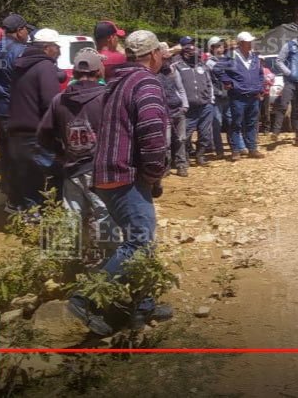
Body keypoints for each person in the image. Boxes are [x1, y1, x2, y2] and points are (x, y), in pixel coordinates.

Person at [91, 29, 173, 327]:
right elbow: (153, 134)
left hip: (106, 172)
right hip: (126, 175)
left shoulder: (116, 81)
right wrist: (153, 175)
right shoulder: (147, 83)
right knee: (139, 243)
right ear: (152, 55)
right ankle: (86, 299)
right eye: (160, 55)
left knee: (142, 241)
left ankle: (144, 306)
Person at [37, 48, 116, 337]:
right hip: (99, 172)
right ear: (98, 72)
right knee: (105, 225)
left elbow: (43, 135)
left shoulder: (60, 99)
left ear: (74, 72)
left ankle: (71, 275)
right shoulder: (106, 97)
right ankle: (102, 284)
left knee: (73, 222)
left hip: (71, 170)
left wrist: (60, 155)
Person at [6, 28, 63, 210]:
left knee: (27, 180)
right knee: (54, 177)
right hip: (36, 134)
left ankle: (27, 217)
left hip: (17, 132)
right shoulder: (45, 66)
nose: (59, 51)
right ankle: (46, 222)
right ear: (47, 48)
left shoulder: (20, 64)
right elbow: (50, 102)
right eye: (57, 47)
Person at [0, 13, 31, 189]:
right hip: (17, 110)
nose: (27, 34)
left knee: (4, 149)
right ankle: (18, 192)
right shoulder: (23, 52)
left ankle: (6, 185)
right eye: (26, 30)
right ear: (19, 31)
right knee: (20, 152)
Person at [213, 31, 266, 161]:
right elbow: (217, 69)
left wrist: (260, 87)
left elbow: (260, 73)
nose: (251, 44)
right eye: (248, 42)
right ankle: (235, 150)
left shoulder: (254, 57)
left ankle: (252, 148)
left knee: (251, 123)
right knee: (236, 123)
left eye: (251, 42)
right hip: (238, 96)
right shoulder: (231, 56)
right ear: (241, 43)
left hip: (253, 95)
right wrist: (227, 81)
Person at [173, 36, 215, 167]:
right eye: (190, 52)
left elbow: (209, 83)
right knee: (185, 134)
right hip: (188, 107)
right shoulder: (177, 67)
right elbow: (177, 87)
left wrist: (211, 99)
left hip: (205, 105)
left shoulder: (203, 66)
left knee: (205, 132)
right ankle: (184, 156)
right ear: (184, 54)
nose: (193, 54)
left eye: (195, 52)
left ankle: (200, 155)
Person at [158, 45, 190, 176]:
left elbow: (181, 88)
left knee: (181, 139)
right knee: (166, 141)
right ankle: (166, 166)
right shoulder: (154, 73)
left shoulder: (173, 71)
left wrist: (185, 105)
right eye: (165, 59)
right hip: (164, 112)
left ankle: (181, 164)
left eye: (169, 58)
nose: (167, 61)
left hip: (177, 109)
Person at [205, 37, 230, 158]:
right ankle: (219, 150)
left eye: (221, 45)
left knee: (231, 121)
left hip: (228, 95)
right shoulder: (209, 62)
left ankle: (235, 147)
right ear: (212, 48)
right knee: (217, 124)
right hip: (217, 96)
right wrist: (217, 92)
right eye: (217, 46)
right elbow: (209, 81)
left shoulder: (228, 60)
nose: (220, 48)